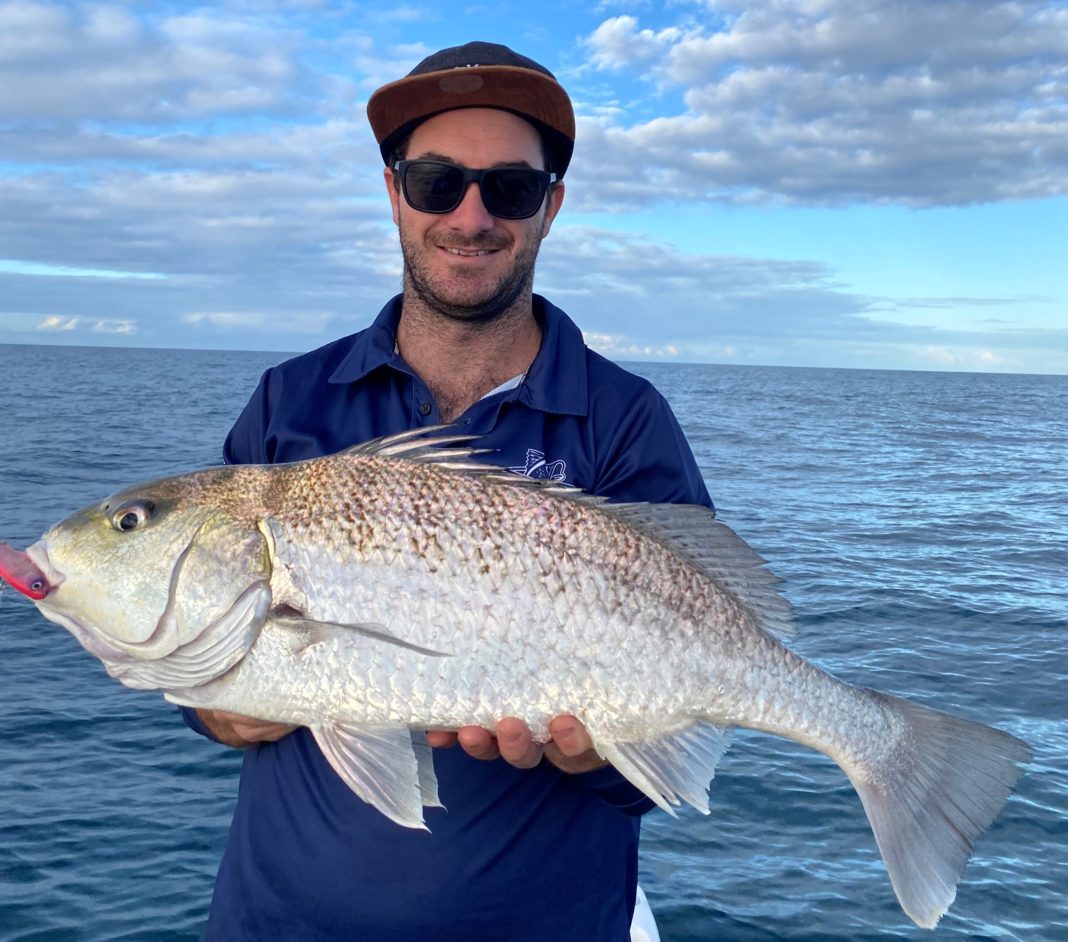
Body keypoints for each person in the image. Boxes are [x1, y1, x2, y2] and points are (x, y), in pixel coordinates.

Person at [181, 41, 712, 942]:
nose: (470, 216)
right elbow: (218, 673)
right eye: (436, 181)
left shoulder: (625, 419)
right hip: (276, 921)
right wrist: (221, 707)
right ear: (394, 194)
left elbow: (671, 744)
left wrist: (592, 757)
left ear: (549, 208)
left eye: (507, 188)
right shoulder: (290, 401)